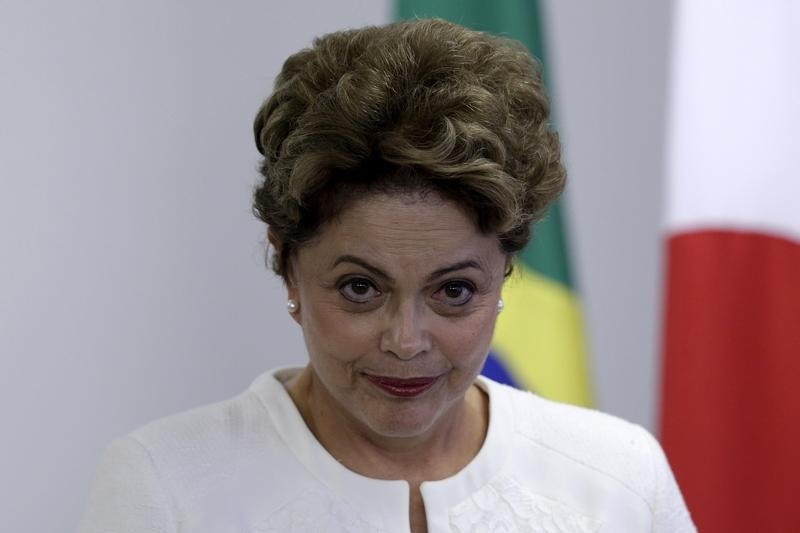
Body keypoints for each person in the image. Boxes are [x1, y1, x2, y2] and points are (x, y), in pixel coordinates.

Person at [79, 18, 695, 532]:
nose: (406, 340)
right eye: (360, 288)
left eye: (454, 291)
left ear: (504, 272)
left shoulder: (618, 480)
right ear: (288, 265)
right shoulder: (165, 486)